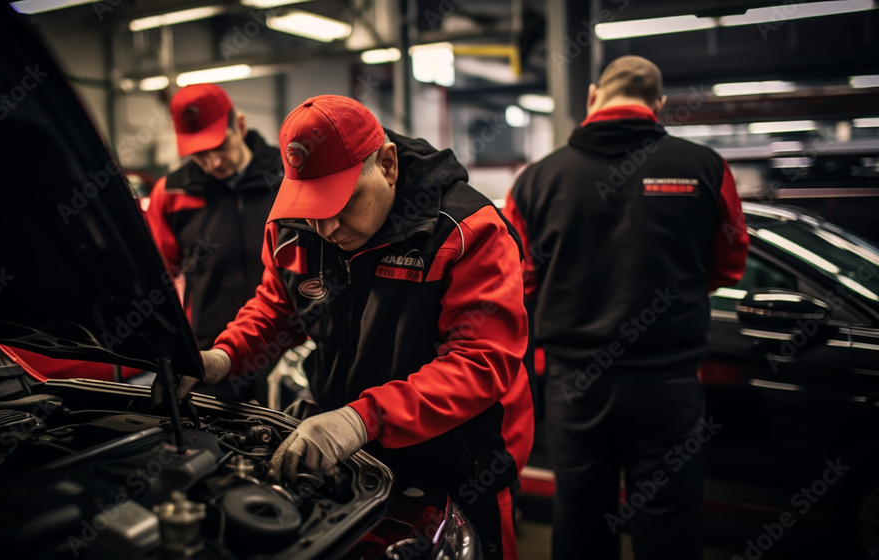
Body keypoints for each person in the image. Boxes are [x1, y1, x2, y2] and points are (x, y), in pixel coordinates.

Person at [155, 94, 535, 560]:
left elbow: (480, 362)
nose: (328, 227)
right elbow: (278, 308)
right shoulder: (294, 229)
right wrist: (223, 356)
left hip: (460, 460)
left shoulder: (466, 231)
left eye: (345, 201)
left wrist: (362, 418)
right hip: (351, 452)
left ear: (388, 165)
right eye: (314, 206)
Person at [502, 55, 749, 560]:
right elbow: (730, 266)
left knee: (581, 520)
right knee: (670, 526)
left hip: (576, 386)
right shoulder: (706, 168)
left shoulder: (536, 180)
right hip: (668, 384)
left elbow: (521, 283)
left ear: (593, 96)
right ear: (658, 104)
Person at [145, 83, 282, 402]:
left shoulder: (287, 178)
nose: (214, 162)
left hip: (284, 350)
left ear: (241, 126)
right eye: (200, 153)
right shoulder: (172, 194)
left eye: (220, 146)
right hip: (212, 356)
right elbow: (157, 279)